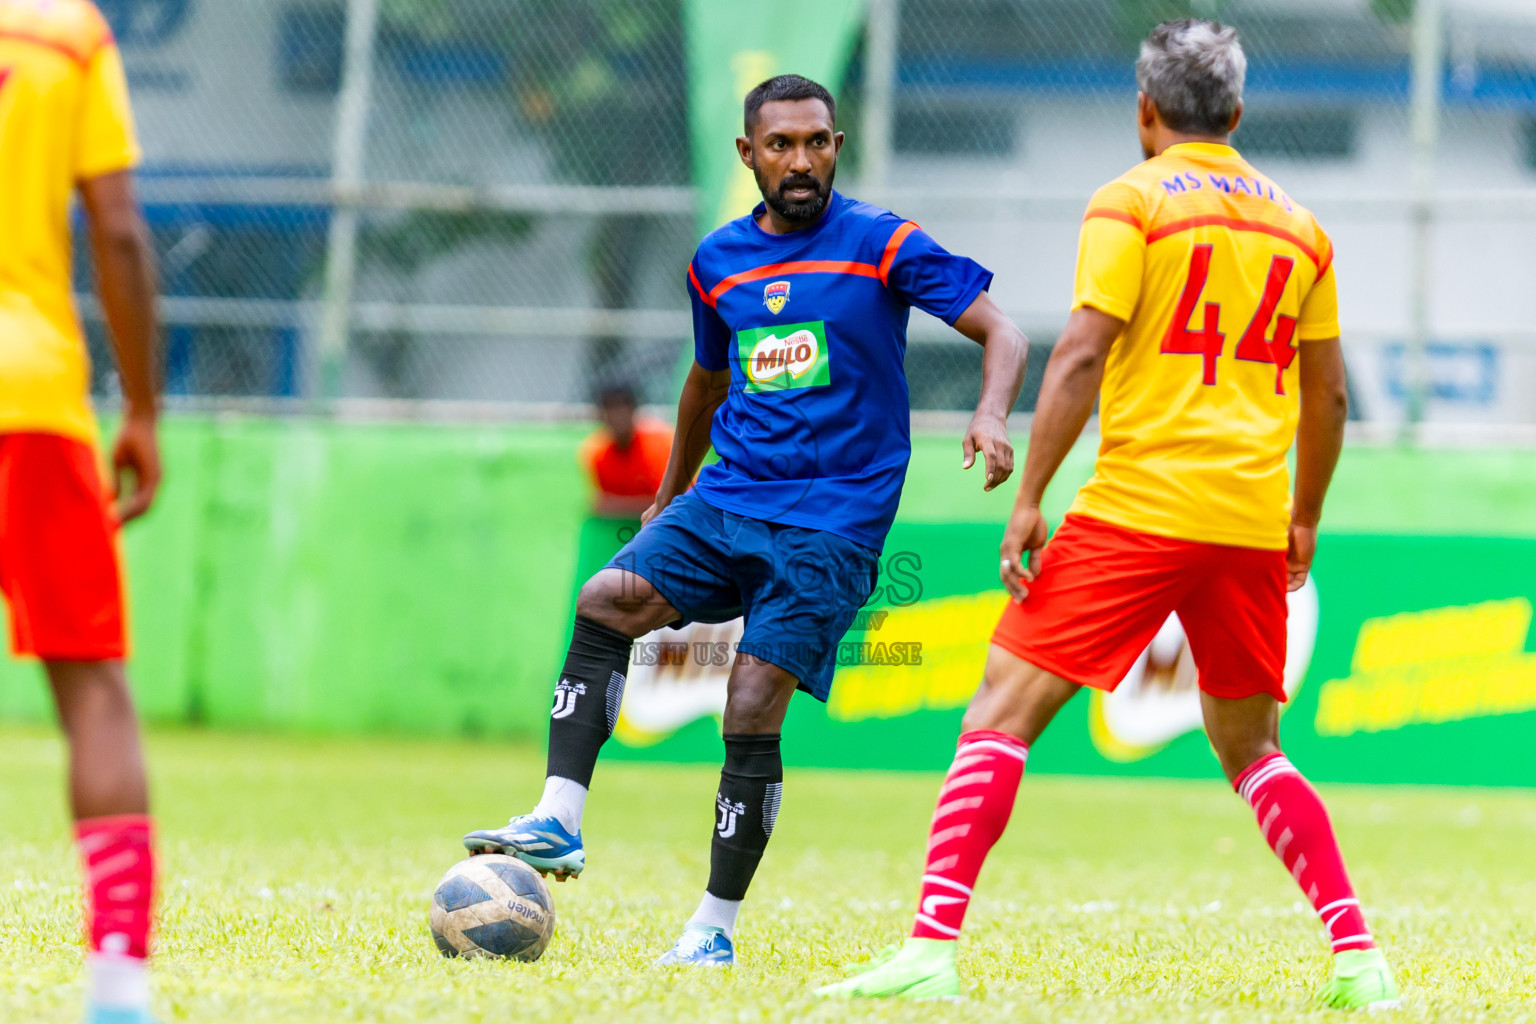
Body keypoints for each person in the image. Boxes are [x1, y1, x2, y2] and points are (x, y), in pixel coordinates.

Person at [818, 20, 1399, 1010]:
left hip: (1139, 506)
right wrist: (1305, 517)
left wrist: (1033, 495)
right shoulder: (1303, 227)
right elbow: (1329, 396)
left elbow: (1082, 355)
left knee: (1000, 709)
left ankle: (928, 951)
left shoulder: (1131, 201)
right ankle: (1359, 959)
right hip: (1251, 519)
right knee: (1253, 747)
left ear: (1144, 109)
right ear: (1238, 113)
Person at [463, 73, 1029, 966]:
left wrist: (991, 415)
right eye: (780, 145)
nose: (800, 161)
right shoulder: (716, 262)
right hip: (726, 498)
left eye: (816, 142)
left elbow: (1004, 332)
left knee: (752, 700)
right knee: (605, 600)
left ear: (837, 145)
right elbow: (705, 381)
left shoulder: (884, 244)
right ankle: (558, 818)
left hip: (835, 521)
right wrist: (670, 490)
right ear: (747, 153)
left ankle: (711, 931)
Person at [0, 2, 163, 1022]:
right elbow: (116, 226)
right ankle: (115, 981)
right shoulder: (67, 30)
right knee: (93, 692)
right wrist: (142, 406)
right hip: (31, 393)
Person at [579, 382, 674, 519]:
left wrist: (616, 506)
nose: (616, 416)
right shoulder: (596, 452)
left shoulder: (659, 444)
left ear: (633, 410)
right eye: (609, 408)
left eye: (621, 407)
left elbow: (670, 501)